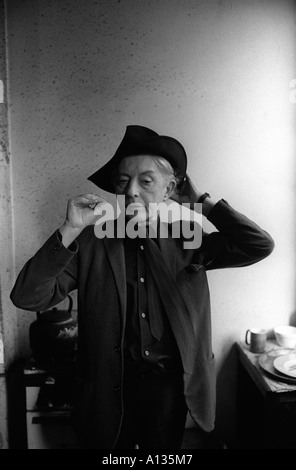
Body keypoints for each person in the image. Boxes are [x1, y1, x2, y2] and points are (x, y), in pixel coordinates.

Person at [10, 125, 274, 449]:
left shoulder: (187, 237)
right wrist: (68, 228)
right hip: (108, 389)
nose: (132, 191)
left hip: (169, 389)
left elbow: (258, 245)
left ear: (170, 189)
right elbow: (27, 296)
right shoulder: (92, 242)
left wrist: (202, 202)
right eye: (123, 182)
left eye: (146, 181)